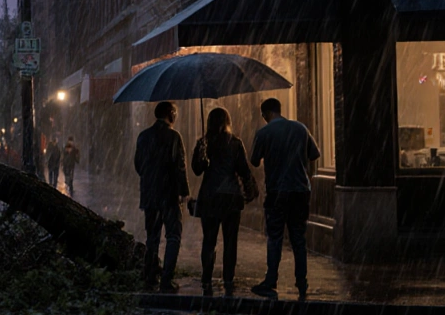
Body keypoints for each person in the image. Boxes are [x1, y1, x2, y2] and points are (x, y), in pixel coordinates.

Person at [249, 97, 320, 301]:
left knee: (275, 237)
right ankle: (302, 281)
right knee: (298, 237)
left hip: (277, 191)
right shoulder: (300, 128)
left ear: (266, 114)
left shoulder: (264, 133)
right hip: (300, 190)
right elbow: (314, 154)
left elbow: (254, 160)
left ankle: (271, 281)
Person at [192, 107, 256, 297]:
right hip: (231, 197)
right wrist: (250, 187)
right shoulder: (236, 143)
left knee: (209, 240)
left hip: (210, 197)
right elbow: (243, 170)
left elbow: (196, 169)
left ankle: (206, 277)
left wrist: (204, 158)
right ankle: (228, 278)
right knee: (230, 241)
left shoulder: (204, 143)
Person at [134, 101, 189, 293]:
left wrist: (150, 179)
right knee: (173, 236)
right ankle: (167, 279)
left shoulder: (143, 136)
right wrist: (184, 192)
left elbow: (138, 165)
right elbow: (180, 166)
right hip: (170, 194)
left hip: (150, 194)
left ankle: (150, 276)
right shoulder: (174, 137)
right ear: (171, 114)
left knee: (153, 237)